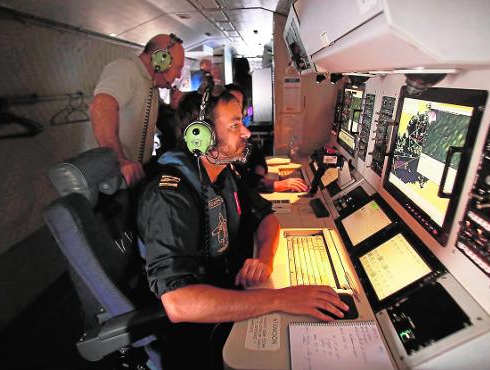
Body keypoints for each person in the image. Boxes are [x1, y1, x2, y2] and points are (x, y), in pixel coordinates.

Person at [138, 90, 348, 369]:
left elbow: (266, 217)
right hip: (199, 331)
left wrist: (263, 258)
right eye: (235, 125)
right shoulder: (169, 197)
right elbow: (179, 303)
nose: (246, 133)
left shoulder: (224, 174)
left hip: (232, 288)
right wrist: (279, 299)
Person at [90, 33, 185, 186]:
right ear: (161, 60)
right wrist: (119, 160)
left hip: (133, 174)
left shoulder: (150, 82)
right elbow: (101, 106)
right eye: (178, 68)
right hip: (114, 176)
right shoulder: (125, 69)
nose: (179, 75)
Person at [225, 83, 309, 193]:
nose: (247, 134)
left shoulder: (240, 131)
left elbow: (256, 154)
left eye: (238, 104)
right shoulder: (220, 140)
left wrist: (258, 174)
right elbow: (236, 178)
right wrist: (272, 184)